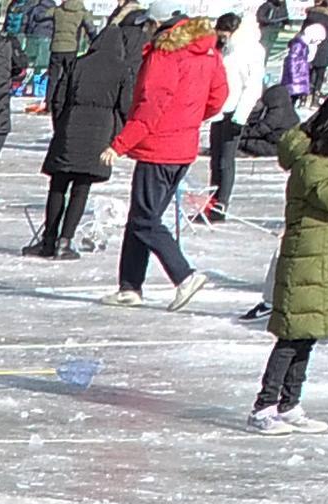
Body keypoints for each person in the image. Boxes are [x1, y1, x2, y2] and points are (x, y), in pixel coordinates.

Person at [248, 85, 328, 423]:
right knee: (292, 336)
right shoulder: (313, 162)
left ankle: (289, 402)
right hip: (307, 260)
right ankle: (264, 406)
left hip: (323, 259)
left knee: (307, 335)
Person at [109, 0, 218, 295]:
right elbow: (219, 95)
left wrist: (119, 144)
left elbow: (150, 105)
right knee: (141, 217)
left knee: (145, 220)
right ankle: (129, 287)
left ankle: (184, 275)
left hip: (159, 147)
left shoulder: (165, 54)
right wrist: (190, 118)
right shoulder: (208, 51)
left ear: (158, 25)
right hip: (183, 146)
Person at [34, 0, 142, 254]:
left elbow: (59, 98)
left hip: (70, 128)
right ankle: (65, 242)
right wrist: (117, 134)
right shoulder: (121, 69)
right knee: (81, 189)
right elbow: (125, 106)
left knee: (58, 185)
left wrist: (61, 124)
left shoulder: (79, 64)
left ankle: (48, 239)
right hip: (99, 132)